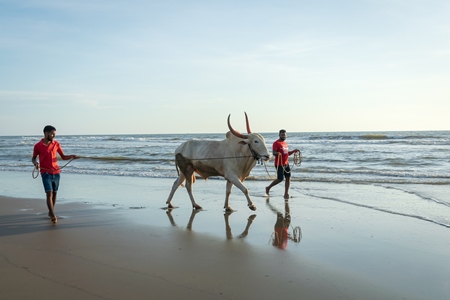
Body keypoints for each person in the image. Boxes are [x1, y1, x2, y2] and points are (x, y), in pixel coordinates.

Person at [32, 125, 79, 224]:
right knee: (49, 193)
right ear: (46, 133)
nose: (53, 136)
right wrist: (35, 163)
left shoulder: (56, 144)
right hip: (45, 172)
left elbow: (63, 157)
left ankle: (50, 212)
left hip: (56, 172)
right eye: (52, 134)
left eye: (55, 134)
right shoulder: (37, 146)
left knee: (54, 193)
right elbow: (33, 158)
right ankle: (53, 215)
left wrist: (72, 156)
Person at [265, 129, 300, 199]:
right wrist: (277, 153)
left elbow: (287, 153)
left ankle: (286, 193)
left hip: (286, 163)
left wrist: (293, 151)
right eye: (282, 134)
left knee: (288, 178)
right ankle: (268, 188)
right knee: (280, 179)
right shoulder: (276, 143)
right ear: (279, 135)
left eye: (284, 134)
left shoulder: (285, 143)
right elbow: (274, 153)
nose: (283, 136)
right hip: (279, 164)